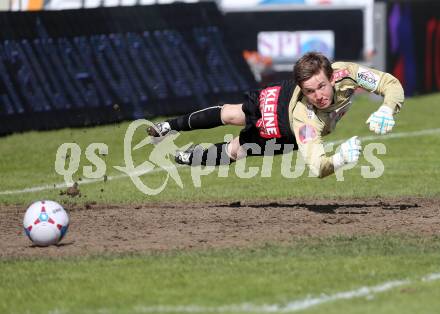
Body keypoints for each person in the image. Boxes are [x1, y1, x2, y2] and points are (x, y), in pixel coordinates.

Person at [147, 52, 404, 178]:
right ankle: (168, 126)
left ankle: (186, 157)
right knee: (232, 114)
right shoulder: (307, 116)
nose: (319, 95)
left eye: (322, 86)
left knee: (238, 150)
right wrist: (340, 159)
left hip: (287, 130)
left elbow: (389, 83)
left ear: (331, 76)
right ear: (303, 89)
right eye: (310, 90)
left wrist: (387, 108)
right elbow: (319, 167)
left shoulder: (346, 72)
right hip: (284, 106)